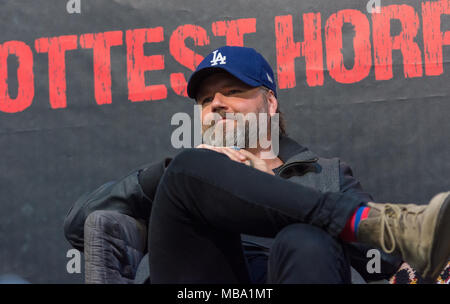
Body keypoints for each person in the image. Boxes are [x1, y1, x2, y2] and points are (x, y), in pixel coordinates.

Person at [64, 46, 450, 284]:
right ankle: (369, 218)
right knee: (188, 168)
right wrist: (165, 173)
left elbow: (384, 264)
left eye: (233, 92)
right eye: (205, 101)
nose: (216, 104)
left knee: (305, 240)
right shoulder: (175, 179)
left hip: (295, 271)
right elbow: (80, 227)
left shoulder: (324, 174)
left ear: (270, 102)